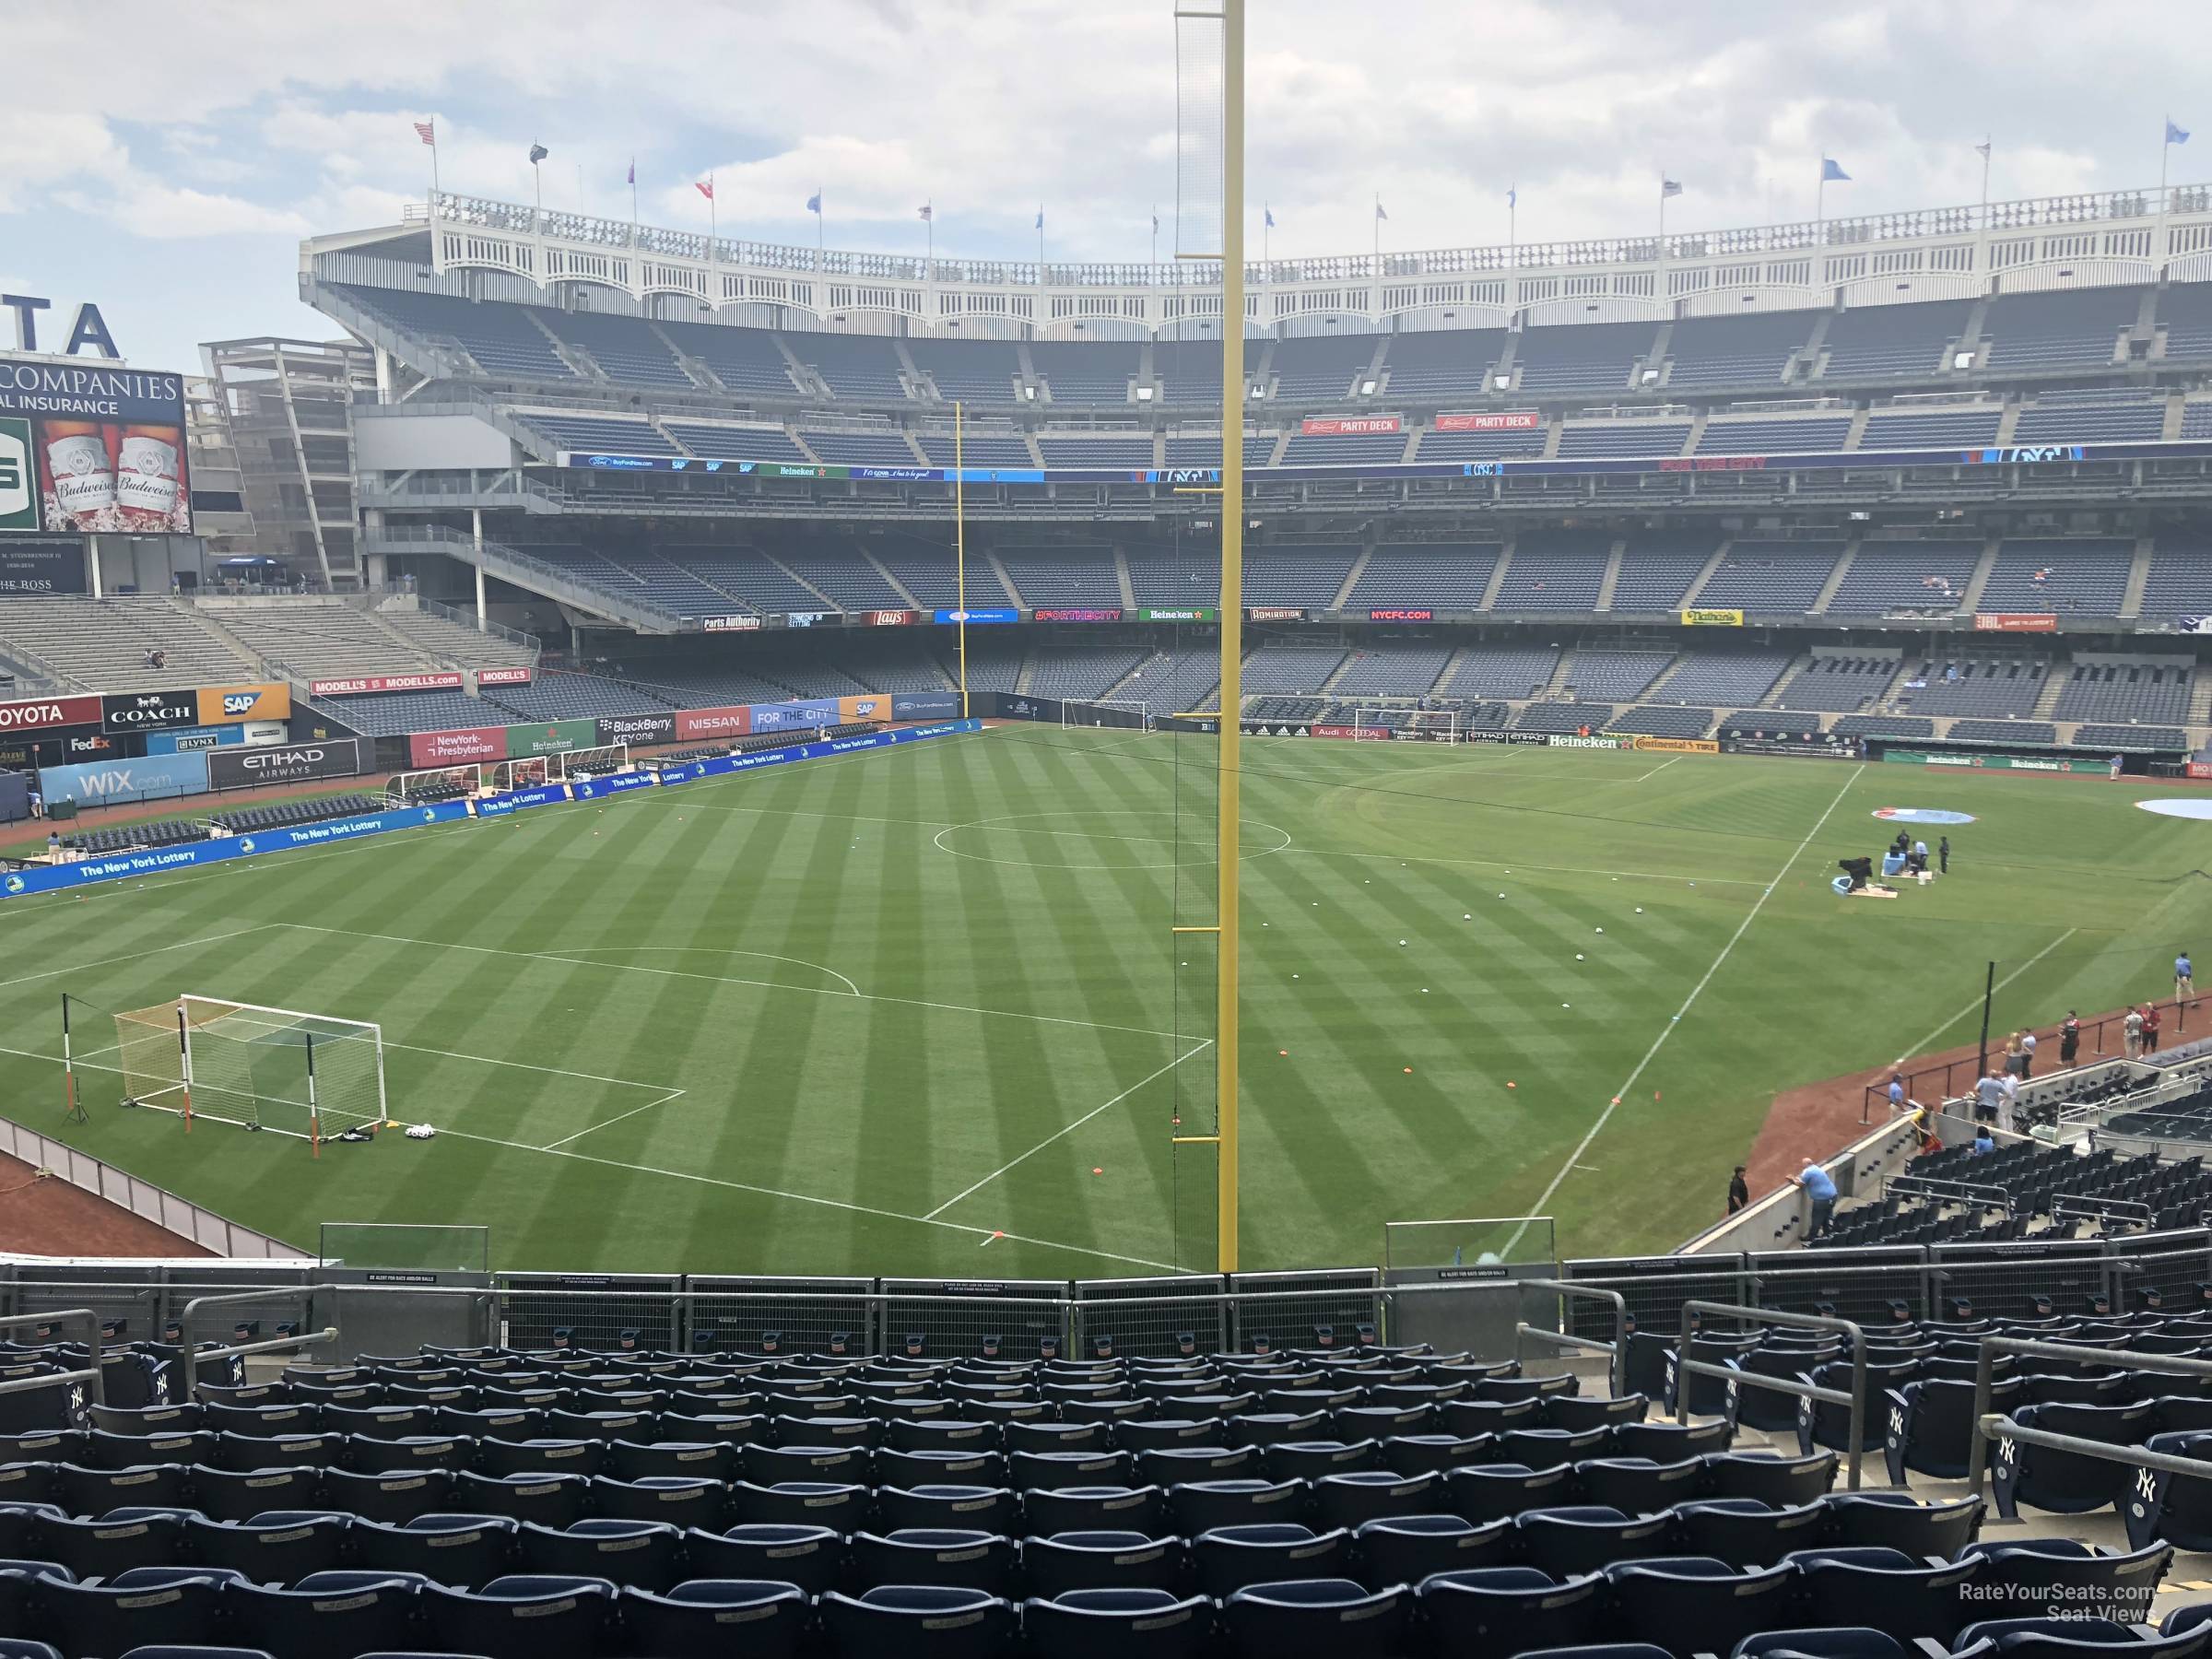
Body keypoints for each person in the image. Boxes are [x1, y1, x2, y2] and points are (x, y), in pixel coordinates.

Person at [1796, 1159, 1838, 1240]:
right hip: (1833, 1196)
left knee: (1817, 1218)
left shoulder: (1808, 1171)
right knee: (1826, 1216)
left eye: (1803, 1164)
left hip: (1822, 1200)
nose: (1802, 1166)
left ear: (1807, 1164)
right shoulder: (1817, 1168)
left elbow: (1800, 1183)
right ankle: (1827, 1234)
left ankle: (1811, 1237)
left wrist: (1792, 1180)